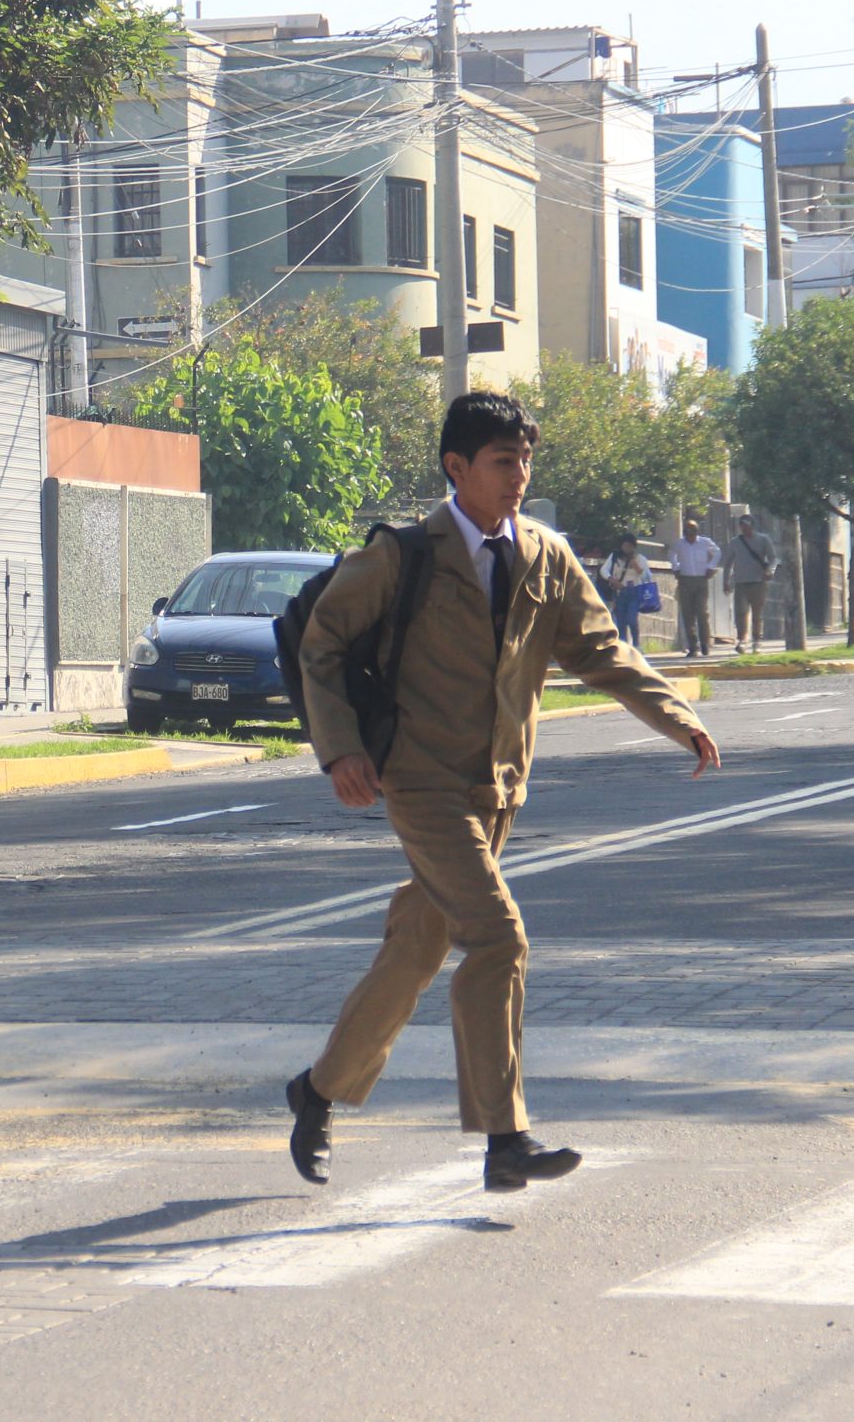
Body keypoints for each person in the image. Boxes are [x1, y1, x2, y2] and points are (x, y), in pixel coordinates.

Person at [285, 392, 721, 1194]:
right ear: (458, 468)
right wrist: (339, 748)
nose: (519, 474)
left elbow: (601, 651)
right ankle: (504, 1136)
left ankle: (315, 1090)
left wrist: (677, 716)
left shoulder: (547, 556)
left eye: (525, 458)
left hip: (499, 788)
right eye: (501, 460)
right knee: (498, 938)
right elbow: (322, 645)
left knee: (417, 946)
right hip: (420, 781)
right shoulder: (402, 555)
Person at [666, 514, 722, 658]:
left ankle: (705, 643)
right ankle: (693, 646)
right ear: (684, 533)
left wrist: (711, 566)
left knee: (702, 613)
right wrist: (675, 568)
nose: (690, 536)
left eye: (693, 533)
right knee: (688, 614)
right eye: (687, 533)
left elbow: (717, 552)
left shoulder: (704, 542)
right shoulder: (679, 544)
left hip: (701, 579)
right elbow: (672, 554)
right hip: (685, 580)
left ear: (697, 532)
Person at [728, 514, 780, 654]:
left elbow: (773, 558)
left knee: (757, 613)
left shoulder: (763, 540)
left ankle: (757, 641)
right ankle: (742, 640)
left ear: (752, 525)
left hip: (758, 581)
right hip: (740, 582)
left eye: (747, 525)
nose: (744, 528)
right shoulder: (735, 542)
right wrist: (726, 581)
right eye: (742, 525)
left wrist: (770, 570)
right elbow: (728, 562)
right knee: (741, 612)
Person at [598, 533, 653, 648]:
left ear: (634, 546)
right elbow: (604, 570)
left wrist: (637, 568)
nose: (627, 549)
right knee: (621, 621)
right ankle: (623, 646)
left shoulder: (640, 559)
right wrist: (612, 579)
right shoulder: (614, 557)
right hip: (620, 592)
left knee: (632, 619)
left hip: (635, 591)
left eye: (629, 546)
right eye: (625, 546)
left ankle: (636, 645)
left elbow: (647, 577)